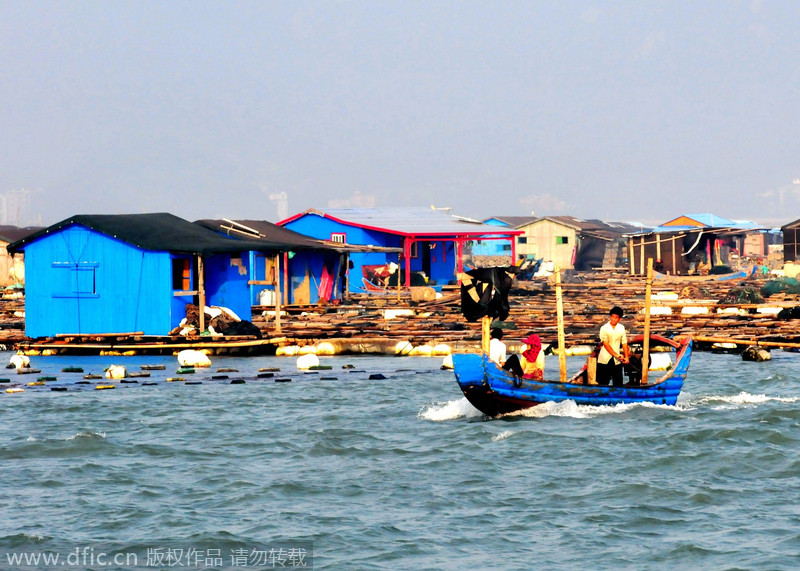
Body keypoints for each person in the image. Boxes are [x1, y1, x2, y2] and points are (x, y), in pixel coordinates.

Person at [597, 306, 630, 386]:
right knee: (603, 383)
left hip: (617, 361)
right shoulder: (604, 328)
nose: (614, 319)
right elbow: (606, 344)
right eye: (612, 317)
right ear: (610, 316)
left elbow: (624, 342)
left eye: (616, 317)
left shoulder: (621, 328)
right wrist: (616, 355)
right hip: (605, 358)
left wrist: (626, 357)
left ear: (620, 319)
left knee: (618, 383)